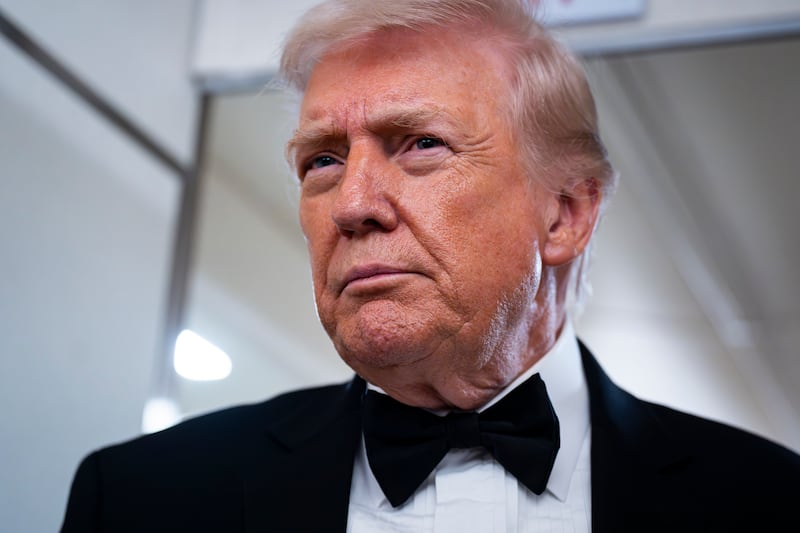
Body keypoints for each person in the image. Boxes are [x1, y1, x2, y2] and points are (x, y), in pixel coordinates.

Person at [61, 0, 800, 531]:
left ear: (566, 213)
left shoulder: (767, 500)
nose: (352, 204)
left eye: (420, 144)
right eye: (322, 159)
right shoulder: (140, 498)